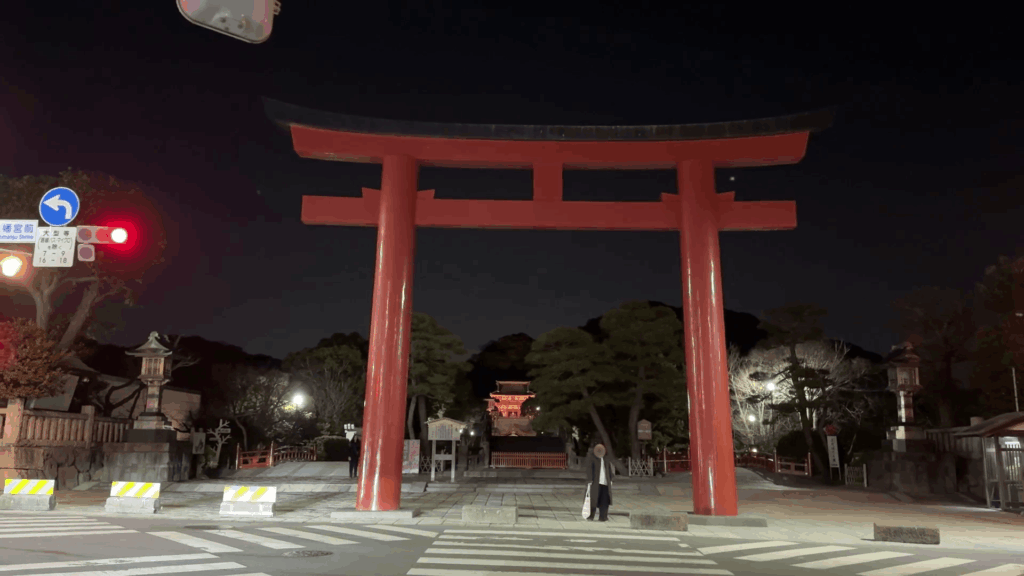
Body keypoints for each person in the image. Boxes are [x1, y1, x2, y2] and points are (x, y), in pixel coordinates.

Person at [585, 443, 614, 521]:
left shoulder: (606, 459)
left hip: (605, 483)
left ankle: (603, 516)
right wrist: (590, 480)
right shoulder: (592, 458)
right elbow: (589, 469)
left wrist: (610, 479)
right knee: (593, 499)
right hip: (595, 482)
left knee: (604, 500)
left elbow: (609, 470)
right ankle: (591, 516)